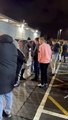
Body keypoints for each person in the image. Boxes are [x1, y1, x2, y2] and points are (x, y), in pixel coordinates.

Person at [0, 34, 18, 120]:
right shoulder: (13, 47)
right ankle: (7, 111)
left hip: (1, 75)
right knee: (8, 93)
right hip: (11, 74)